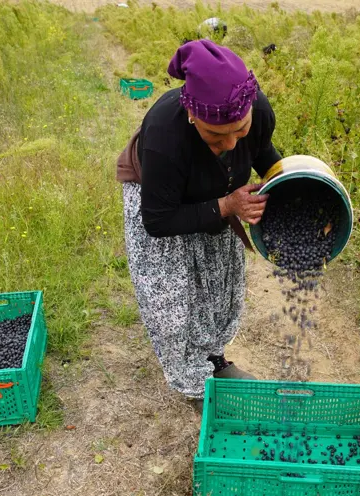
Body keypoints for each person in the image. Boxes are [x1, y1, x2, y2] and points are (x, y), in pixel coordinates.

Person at [116, 39, 281, 405]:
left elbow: (263, 153)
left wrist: (291, 191)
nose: (229, 144)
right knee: (171, 298)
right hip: (161, 200)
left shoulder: (257, 109)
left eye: (239, 130)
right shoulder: (164, 135)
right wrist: (226, 205)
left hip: (221, 193)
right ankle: (191, 377)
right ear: (192, 115)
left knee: (216, 285)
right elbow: (158, 221)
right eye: (214, 136)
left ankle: (213, 359)